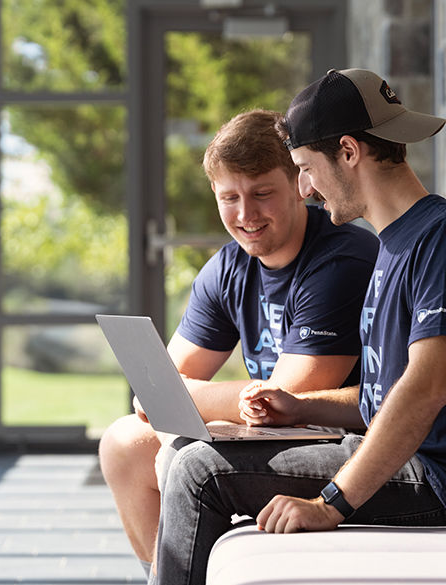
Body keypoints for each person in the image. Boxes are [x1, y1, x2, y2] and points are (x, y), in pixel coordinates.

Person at [151, 69, 446, 585]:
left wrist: (332, 503)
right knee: (188, 457)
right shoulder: (393, 242)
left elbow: (425, 391)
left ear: (349, 151)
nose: (305, 188)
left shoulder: (444, 236)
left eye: (304, 168)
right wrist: (302, 407)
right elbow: (382, 396)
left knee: (199, 471)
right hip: (405, 462)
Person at [98, 109, 379, 577]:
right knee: (125, 444)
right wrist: (187, 398)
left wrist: (189, 397)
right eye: (230, 198)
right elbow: (162, 384)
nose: (246, 215)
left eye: (262, 194)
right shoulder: (229, 269)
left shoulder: (341, 259)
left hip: (342, 441)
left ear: (298, 184)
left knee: (182, 458)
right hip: (268, 434)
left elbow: (290, 398)